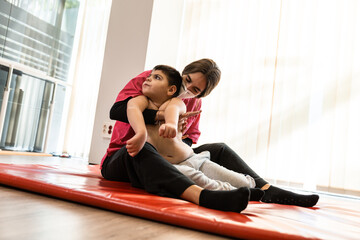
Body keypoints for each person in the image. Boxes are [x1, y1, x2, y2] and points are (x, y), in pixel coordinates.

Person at [101, 59, 319, 210]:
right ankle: (202, 195)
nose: (187, 89)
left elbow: (190, 137)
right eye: (186, 80)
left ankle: (265, 189)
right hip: (124, 155)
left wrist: (179, 137)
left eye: (195, 90)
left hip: (169, 155)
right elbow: (118, 110)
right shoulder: (153, 80)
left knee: (217, 149)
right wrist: (159, 117)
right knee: (144, 148)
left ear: (201, 94)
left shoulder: (190, 103)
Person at [127, 64, 256, 193]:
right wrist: (141, 133)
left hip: (192, 158)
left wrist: (171, 124)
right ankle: (234, 192)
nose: (148, 78)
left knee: (241, 181)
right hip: (171, 166)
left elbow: (173, 110)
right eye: (150, 76)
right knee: (202, 181)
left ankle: (252, 186)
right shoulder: (140, 101)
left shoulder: (175, 102)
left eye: (157, 78)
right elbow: (132, 109)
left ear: (171, 89)